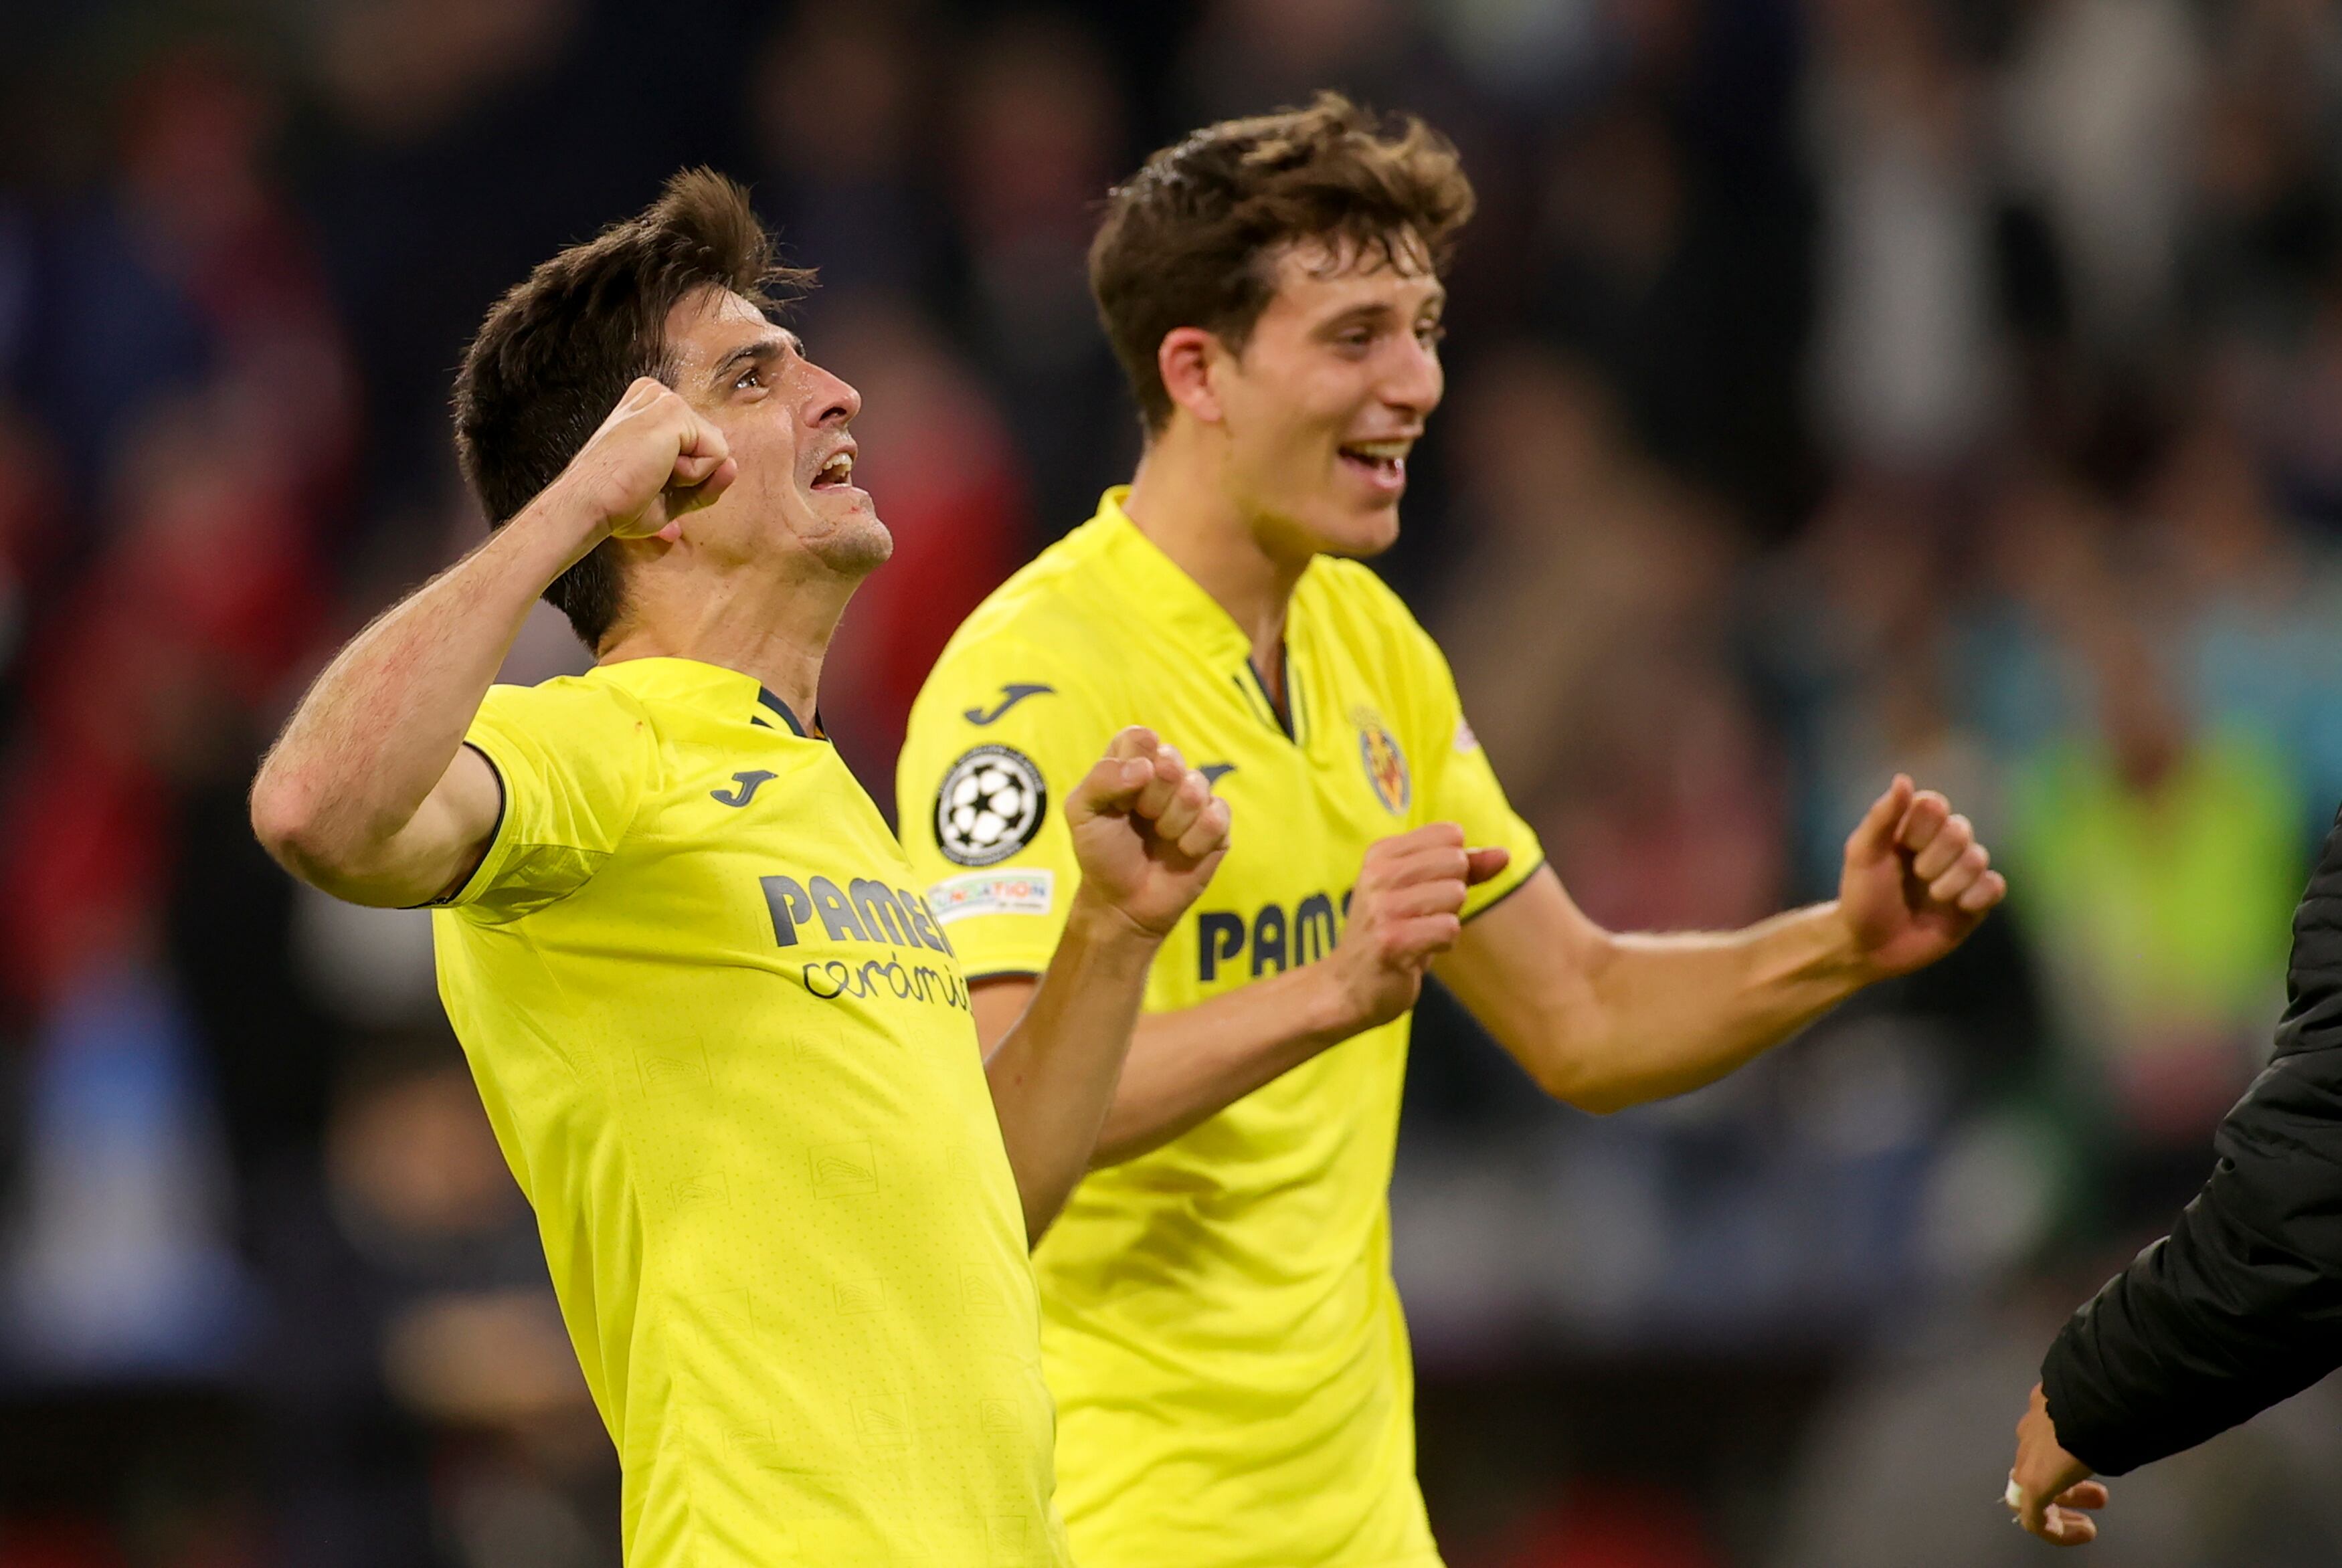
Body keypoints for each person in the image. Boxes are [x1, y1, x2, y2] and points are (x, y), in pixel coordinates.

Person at [896, 95, 2009, 1568]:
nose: (1417, 383)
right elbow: (989, 1121)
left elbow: (1581, 1011)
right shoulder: (1029, 684)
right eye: (1355, 336)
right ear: (1199, 370)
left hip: (1358, 1517)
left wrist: (1842, 945)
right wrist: (1325, 994)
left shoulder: (1373, 646)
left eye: (1423, 328)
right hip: (1104, 1516)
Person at [248, 171, 1232, 1568]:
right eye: (758, 374)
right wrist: (561, 514)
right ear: (646, 475)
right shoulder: (595, 747)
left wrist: (1115, 937)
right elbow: (313, 807)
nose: (839, 393)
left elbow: (982, 1188)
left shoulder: (835, 801)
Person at [2007, 808, 2342, 1547]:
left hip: (2225, 1115)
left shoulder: (2245, 790)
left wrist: (2092, 1385)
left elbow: (2316, 1187)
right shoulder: (2058, 803)